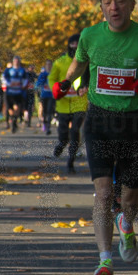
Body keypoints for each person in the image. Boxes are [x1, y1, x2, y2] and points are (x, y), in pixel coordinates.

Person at [55, 0, 138, 275]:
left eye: (120, 1)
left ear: (132, 4)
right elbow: (79, 63)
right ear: (101, 7)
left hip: (133, 122)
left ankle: (127, 222)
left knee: (131, 195)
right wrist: (67, 82)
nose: (114, 7)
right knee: (104, 192)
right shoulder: (90, 36)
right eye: (107, 2)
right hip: (99, 121)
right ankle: (104, 260)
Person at [49, 34, 87, 173]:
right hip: (63, 104)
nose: (74, 47)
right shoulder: (60, 62)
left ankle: (71, 161)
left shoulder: (86, 62)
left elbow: (89, 77)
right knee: (64, 134)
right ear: (68, 45)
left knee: (75, 131)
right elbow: (52, 78)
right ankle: (61, 144)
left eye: (77, 45)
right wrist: (57, 90)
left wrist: (86, 86)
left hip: (79, 103)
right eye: (72, 44)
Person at [1, 55, 28, 133]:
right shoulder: (8, 70)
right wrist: (9, 83)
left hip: (18, 92)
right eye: (15, 61)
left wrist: (23, 85)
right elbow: (4, 78)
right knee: (10, 109)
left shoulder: (22, 71)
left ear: (19, 62)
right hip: (10, 92)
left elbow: (25, 79)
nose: (16, 62)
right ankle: (13, 118)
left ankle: (14, 120)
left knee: (17, 108)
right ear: (13, 62)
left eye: (17, 61)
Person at [36, 59, 55, 134]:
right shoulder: (43, 74)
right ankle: (44, 123)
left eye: (50, 64)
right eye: (47, 64)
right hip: (44, 95)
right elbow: (38, 84)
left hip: (51, 95)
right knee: (44, 111)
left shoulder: (54, 73)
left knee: (50, 110)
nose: (48, 66)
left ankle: (48, 127)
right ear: (45, 65)